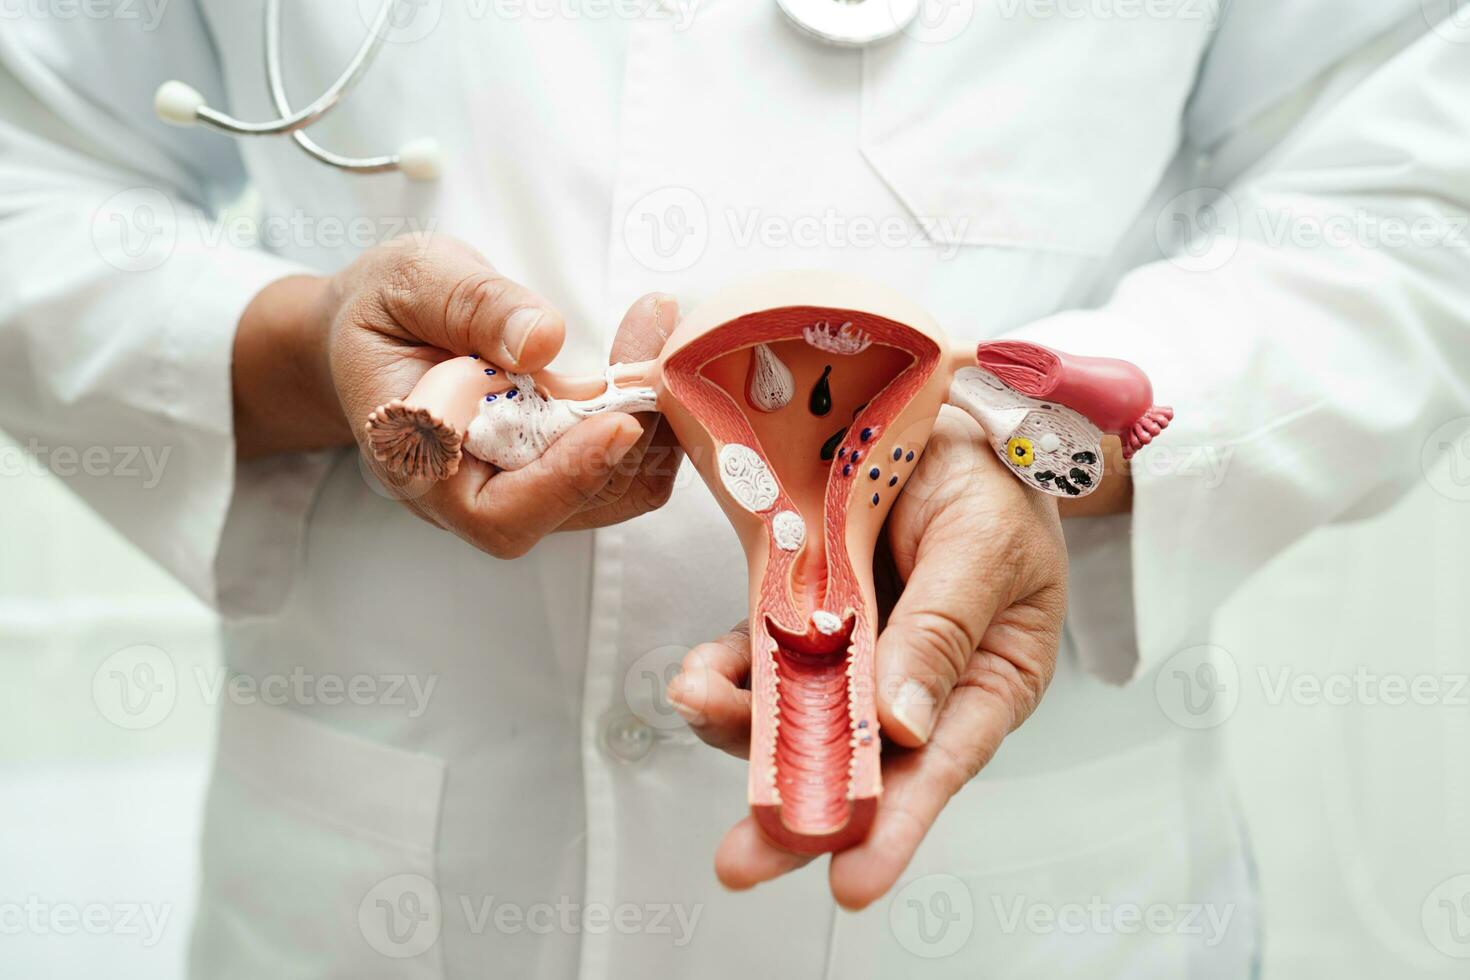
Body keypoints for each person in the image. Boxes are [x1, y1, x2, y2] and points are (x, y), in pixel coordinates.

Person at [2, 0, 1467, 976]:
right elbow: (31, 175)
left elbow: (1407, 211)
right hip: (364, 889)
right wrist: (297, 356)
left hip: (1034, 906)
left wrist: (1025, 437)